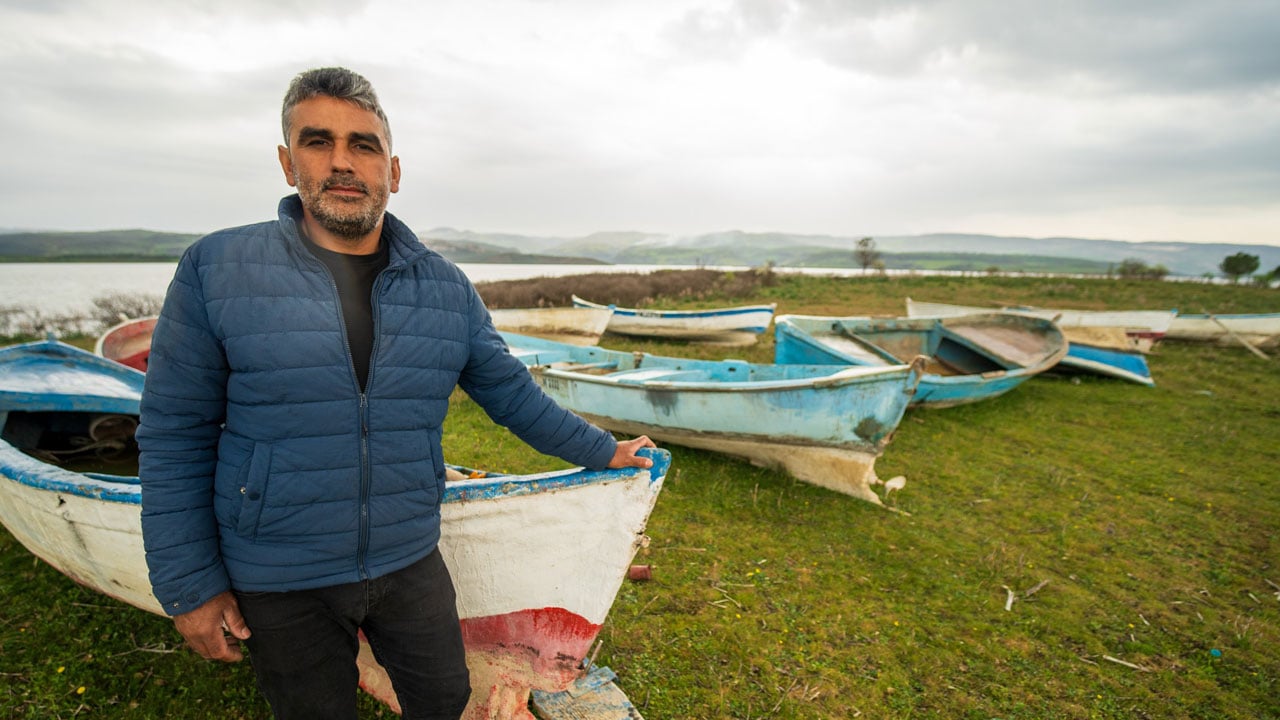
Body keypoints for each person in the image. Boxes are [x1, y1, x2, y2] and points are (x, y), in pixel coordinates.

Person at [136, 66, 656, 720]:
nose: (342, 162)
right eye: (318, 141)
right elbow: (174, 435)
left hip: (406, 558)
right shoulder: (217, 270)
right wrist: (190, 586)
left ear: (394, 170)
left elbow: (511, 394)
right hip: (278, 571)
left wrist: (603, 450)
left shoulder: (443, 287)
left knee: (443, 700)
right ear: (287, 162)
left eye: (364, 145)